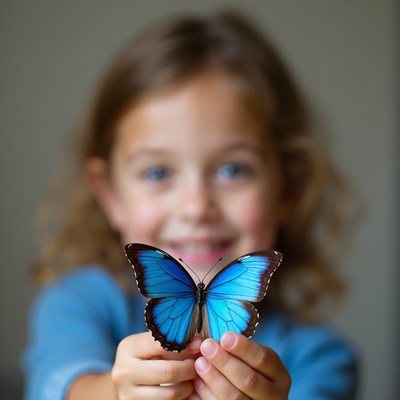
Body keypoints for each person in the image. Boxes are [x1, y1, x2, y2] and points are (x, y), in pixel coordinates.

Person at [23, 11, 358, 400]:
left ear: (288, 192)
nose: (196, 207)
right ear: (110, 195)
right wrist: (112, 393)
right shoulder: (77, 304)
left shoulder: (320, 358)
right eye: (157, 173)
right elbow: (63, 384)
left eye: (232, 169)